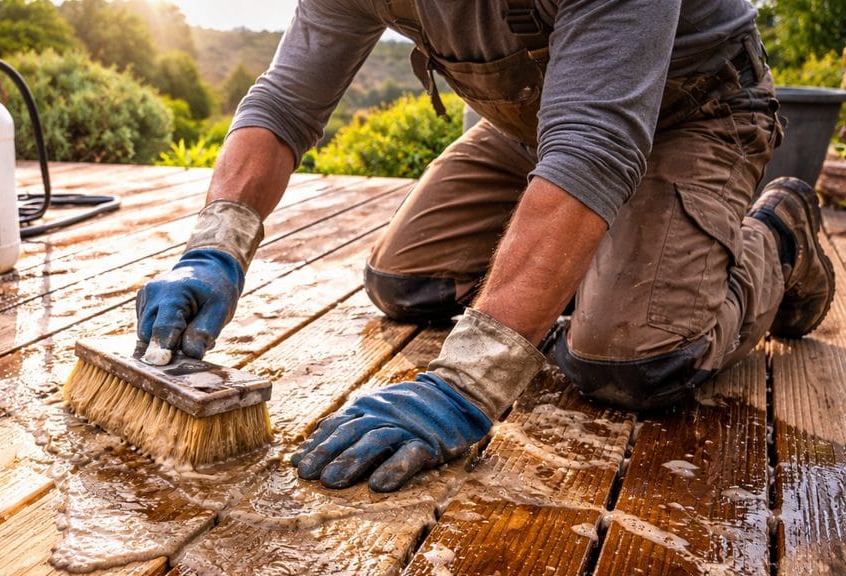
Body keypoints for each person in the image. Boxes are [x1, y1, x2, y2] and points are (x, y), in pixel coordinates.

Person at [135, 0, 835, 492]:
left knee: (627, 359)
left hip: (693, 114)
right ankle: (596, 263)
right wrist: (213, 246)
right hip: (532, 126)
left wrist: (471, 376)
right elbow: (286, 101)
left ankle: (778, 238)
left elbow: (595, 144)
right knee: (404, 281)